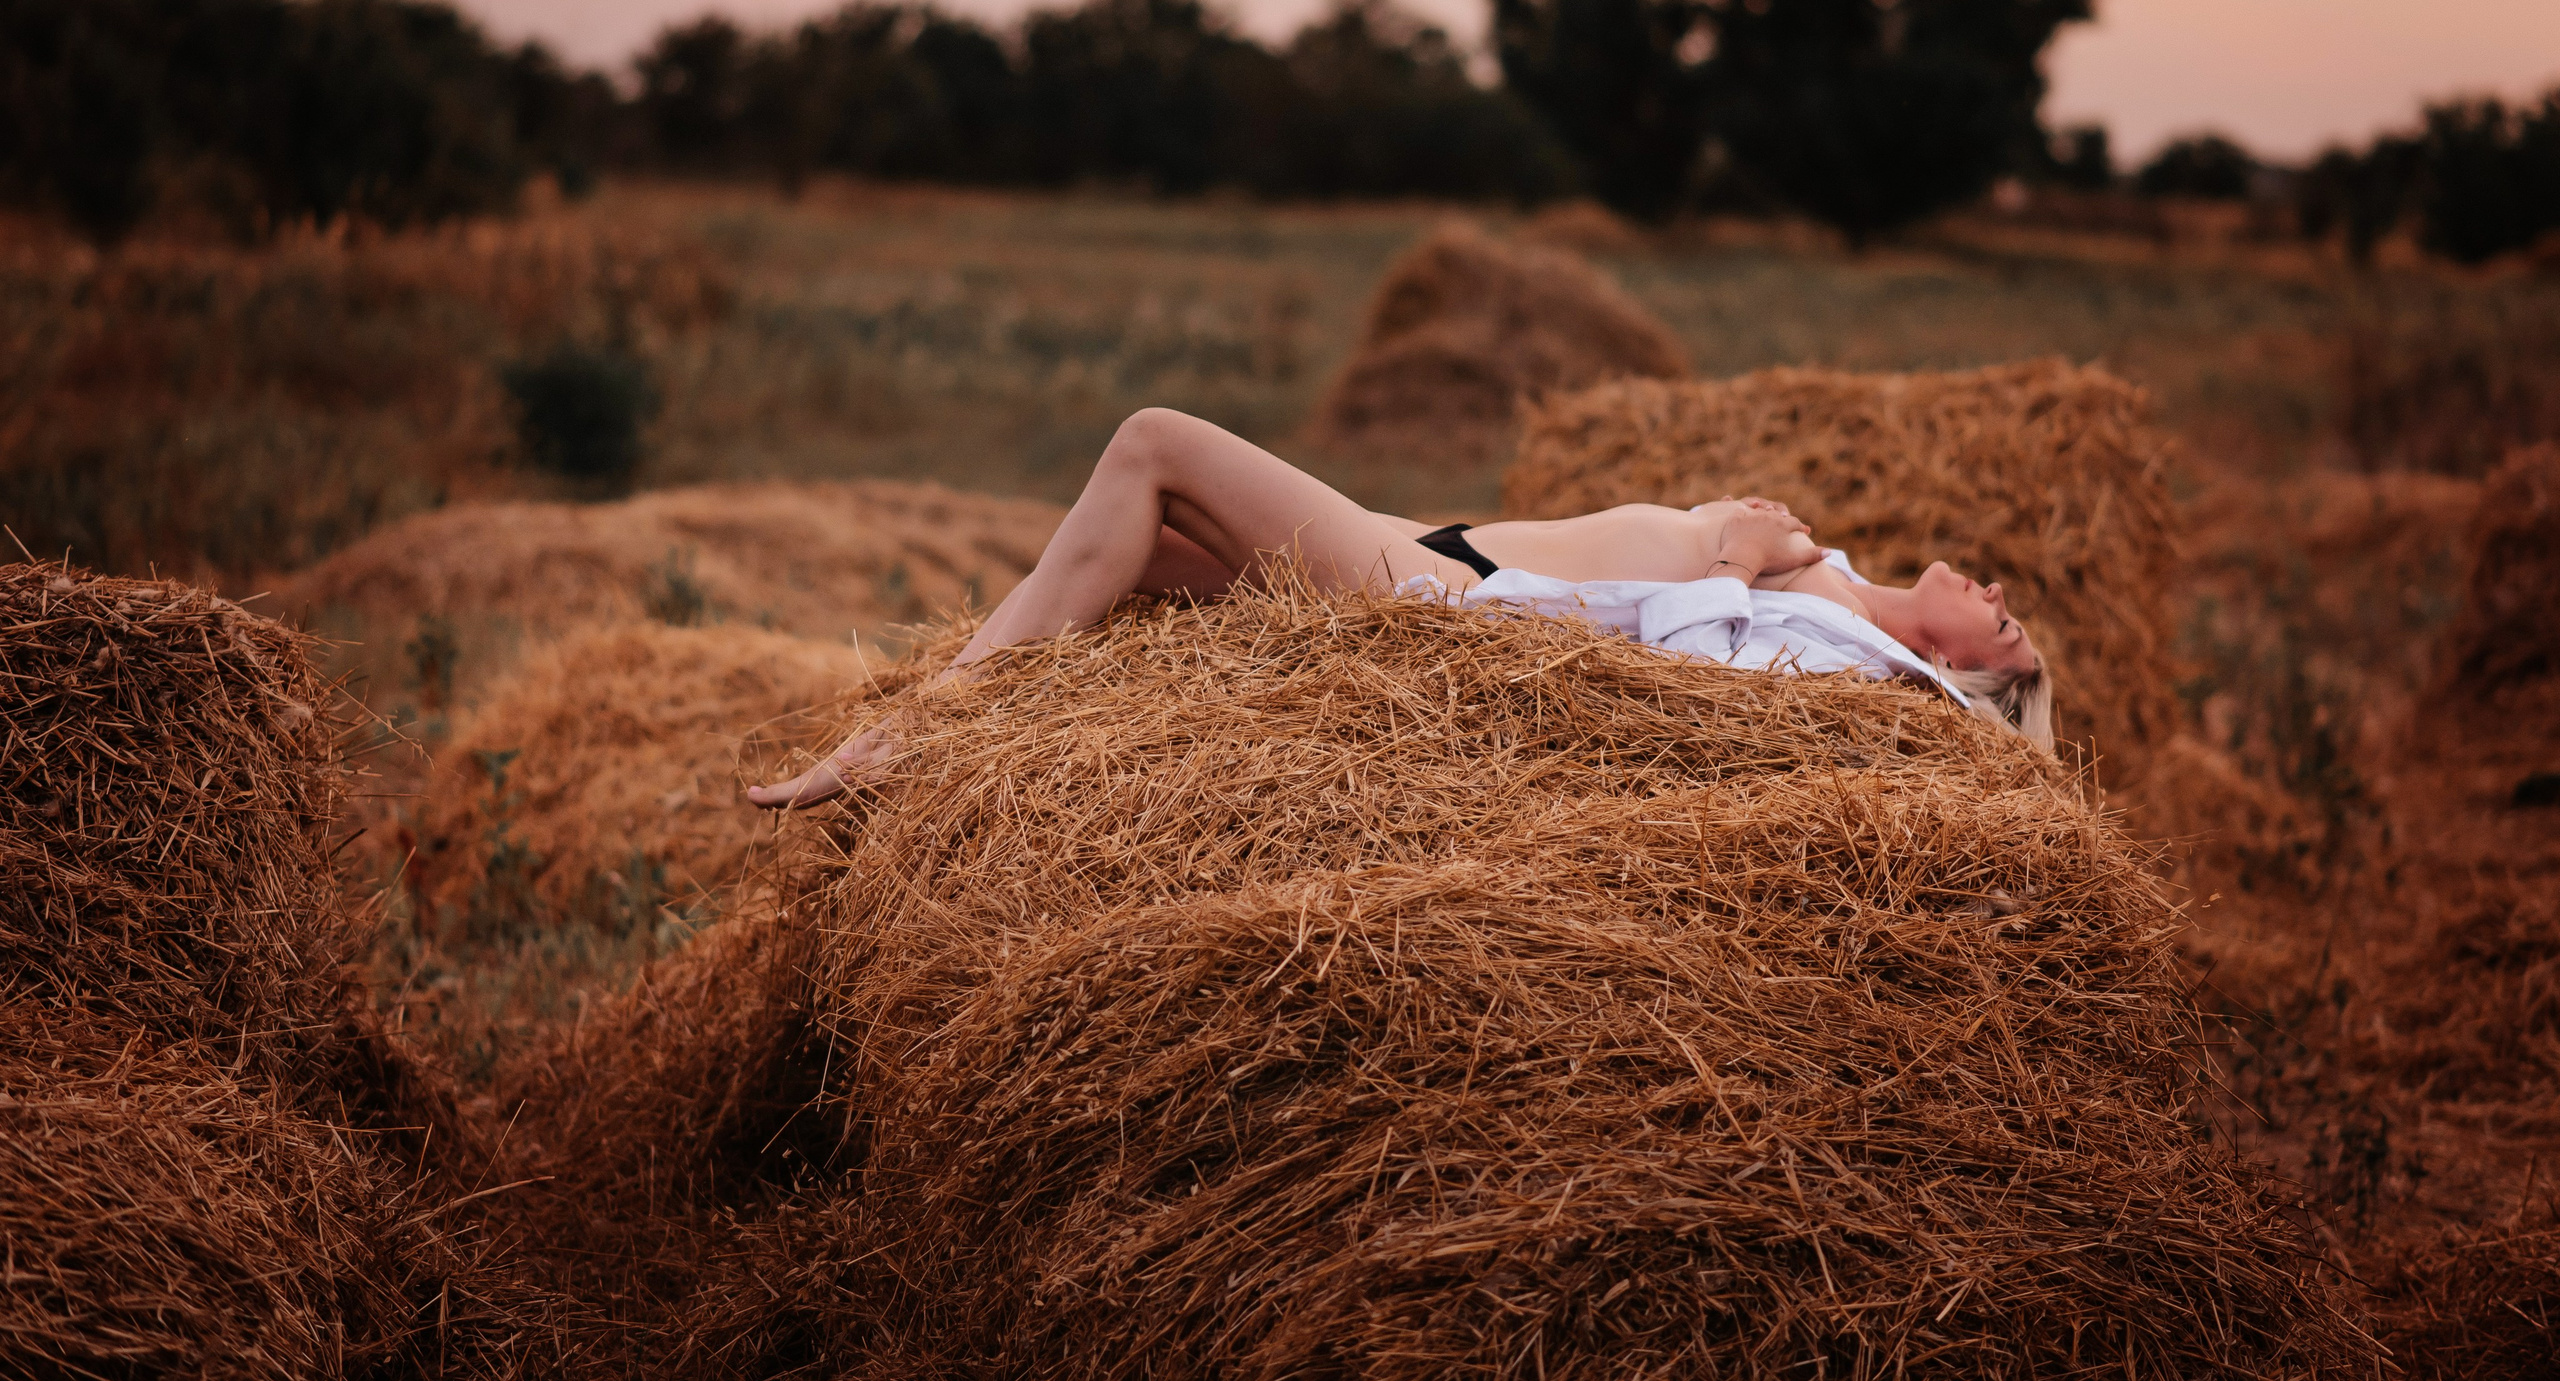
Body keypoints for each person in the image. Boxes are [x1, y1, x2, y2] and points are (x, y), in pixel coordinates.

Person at [748, 407, 2052, 809]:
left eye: (2007, 629)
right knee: (1128, 562)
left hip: (1437, 598)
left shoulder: (1855, 666)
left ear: (1964, 678)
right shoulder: (1840, 585)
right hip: (1439, 553)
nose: (1997, 596)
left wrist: (1724, 544)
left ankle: (916, 734)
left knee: (1150, 445)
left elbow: (1689, 668)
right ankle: (933, 746)